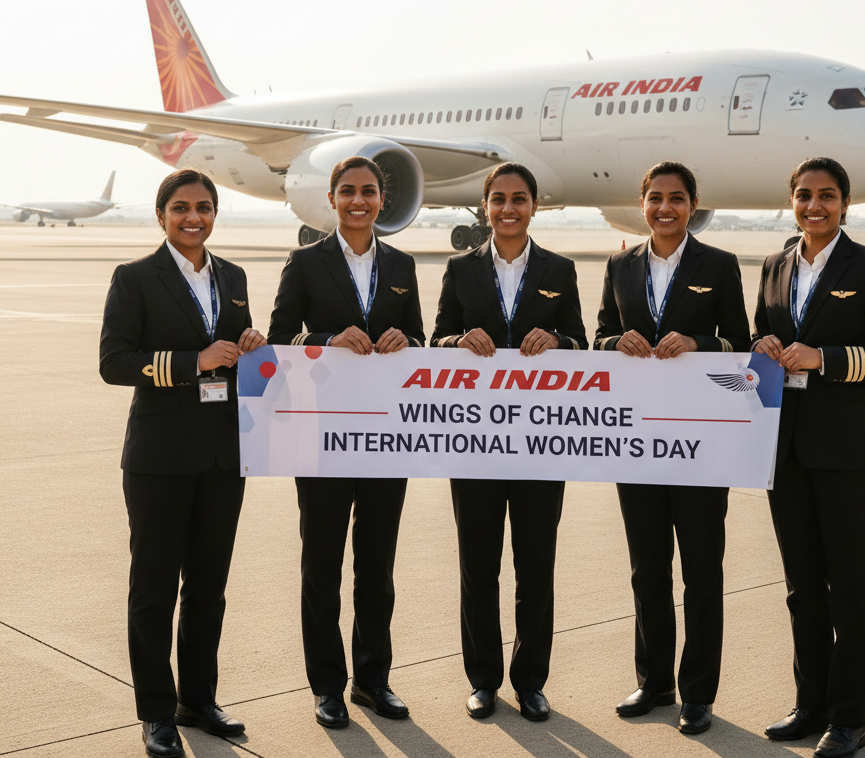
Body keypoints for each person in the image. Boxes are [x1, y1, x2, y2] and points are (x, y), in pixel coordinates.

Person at [99, 169, 267, 758]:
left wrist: (250, 343)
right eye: (180, 208)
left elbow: (234, 345)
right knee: (153, 589)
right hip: (159, 457)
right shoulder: (136, 278)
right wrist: (192, 361)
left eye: (202, 207)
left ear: (214, 214)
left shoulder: (234, 276)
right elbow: (114, 362)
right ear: (162, 215)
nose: (192, 217)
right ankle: (155, 712)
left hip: (223, 455)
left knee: (208, 586)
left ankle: (198, 698)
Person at [754, 157, 865, 758]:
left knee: (850, 587)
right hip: (785, 450)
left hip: (847, 453)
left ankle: (849, 720)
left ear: (845, 204)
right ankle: (811, 703)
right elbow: (763, 340)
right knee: (802, 588)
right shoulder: (774, 266)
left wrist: (824, 358)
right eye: (803, 195)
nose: (813, 205)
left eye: (826, 196)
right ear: (791, 201)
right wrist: (763, 345)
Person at [267, 156, 424, 731]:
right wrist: (329, 339)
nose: (359, 201)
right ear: (332, 199)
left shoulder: (403, 263)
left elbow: (421, 340)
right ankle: (327, 685)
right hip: (322, 438)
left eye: (369, 192)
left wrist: (406, 338)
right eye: (348, 192)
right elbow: (281, 335)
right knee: (323, 565)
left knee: (377, 567)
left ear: (382, 199)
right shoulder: (306, 262)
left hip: (385, 440)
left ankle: (373, 679)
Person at [594, 160, 750, 736]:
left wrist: (701, 342)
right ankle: (655, 680)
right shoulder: (620, 264)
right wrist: (617, 340)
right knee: (648, 569)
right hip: (638, 444)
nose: (666, 208)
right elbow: (599, 334)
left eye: (677, 199)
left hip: (702, 444)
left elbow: (742, 341)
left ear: (692, 205)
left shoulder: (720, 265)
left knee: (702, 571)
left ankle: (698, 692)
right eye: (656, 198)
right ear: (643, 204)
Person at [431, 161, 587, 722]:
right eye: (498, 199)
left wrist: (560, 339)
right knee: (479, 566)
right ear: (486, 205)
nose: (508, 209)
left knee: (535, 566)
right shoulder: (460, 268)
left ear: (534, 206)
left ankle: (531, 681)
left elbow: (582, 340)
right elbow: (435, 337)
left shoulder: (559, 269)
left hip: (540, 445)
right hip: (475, 442)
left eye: (519, 199)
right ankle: (482, 680)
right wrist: (456, 340)